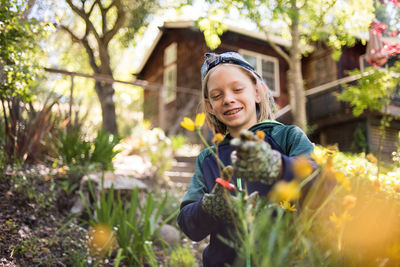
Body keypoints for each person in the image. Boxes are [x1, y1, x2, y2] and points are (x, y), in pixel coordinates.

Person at [177, 51, 315, 267]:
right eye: (217, 95)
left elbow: (321, 183)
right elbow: (189, 225)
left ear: (258, 92)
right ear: (210, 106)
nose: (228, 99)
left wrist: (279, 167)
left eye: (237, 89)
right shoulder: (208, 158)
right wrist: (209, 208)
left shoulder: (287, 137)